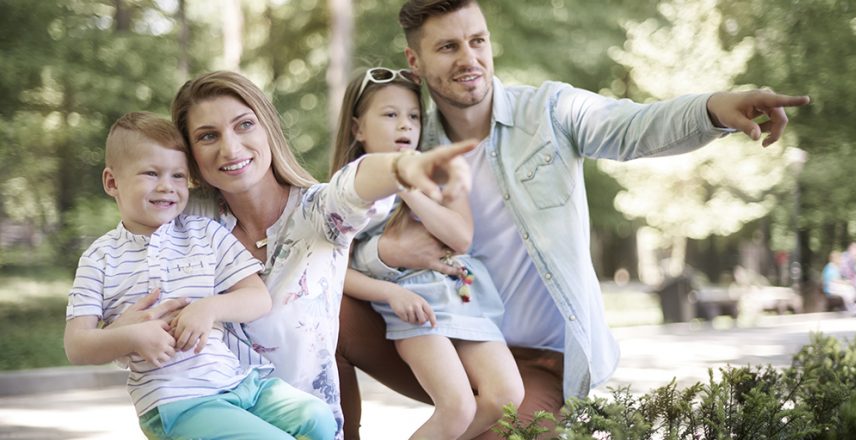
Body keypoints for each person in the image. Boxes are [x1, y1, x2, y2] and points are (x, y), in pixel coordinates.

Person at [335, 1, 812, 438]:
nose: (469, 58)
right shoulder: (407, 135)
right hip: (443, 337)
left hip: (538, 363)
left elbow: (632, 127)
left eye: (477, 40)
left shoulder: (548, 112)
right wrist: (384, 252)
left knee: (500, 429)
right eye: (448, 46)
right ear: (414, 61)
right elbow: (342, 232)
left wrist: (714, 110)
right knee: (327, 309)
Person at [167, 70, 476, 439]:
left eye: (244, 125)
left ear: (268, 129)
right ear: (190, 153)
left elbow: (353, 185)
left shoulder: (316, 213)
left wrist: (401, 167)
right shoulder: (184, 223)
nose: (230, 148)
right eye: (207, 136)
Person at [64, 112, 337, 439]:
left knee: (318, 418)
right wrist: (132, 337)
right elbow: (77, 345)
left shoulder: (205, 234)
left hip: (238, 384)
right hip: (177, 401)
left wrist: (207, 308)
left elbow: (257, 297)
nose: (167, 186)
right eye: (151, 173)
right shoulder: (100, 258)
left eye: (178, 176)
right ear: (112, 182)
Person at [330, 67, 524, 439]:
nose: (405, 125)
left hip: (466, 299)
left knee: (506, 397)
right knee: (457, 406)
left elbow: (460, 237)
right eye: (390, 115)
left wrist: (408, 187)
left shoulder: (441, 172)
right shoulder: (351, 192)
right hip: (414, 309)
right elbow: (337, 267)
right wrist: (391, 292)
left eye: (413, 116)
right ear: (357, 129)